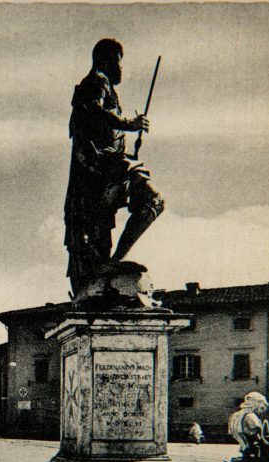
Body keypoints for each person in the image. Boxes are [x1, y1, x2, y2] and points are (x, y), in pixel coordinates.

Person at [64, 38, 165, 298]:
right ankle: (114, 260)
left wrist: (125, 145)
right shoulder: (96, 81)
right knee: (153, 200)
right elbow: (95, 114)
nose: (121, 67)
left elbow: (101, 128)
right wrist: (129, 124)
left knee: (101, 234)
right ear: (107, 59)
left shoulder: (103, 86)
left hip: (106, 167)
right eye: (119, 60)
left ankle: (112, 262)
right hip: (99, 169)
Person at [228, 392, 269, 462]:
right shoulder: (251, 416)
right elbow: (258, 438)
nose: (262, 412)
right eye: (262, 408)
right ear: (257, 405)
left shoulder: (235, 415)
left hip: (244, 448)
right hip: (255, 450)